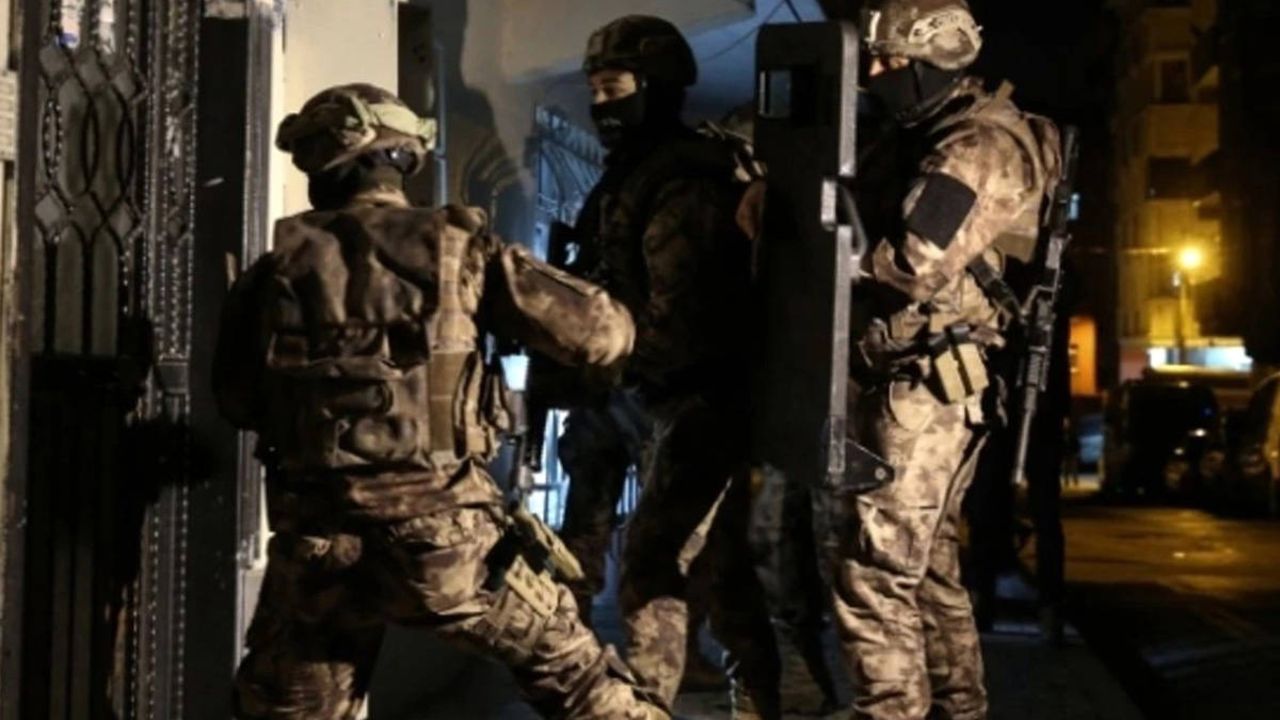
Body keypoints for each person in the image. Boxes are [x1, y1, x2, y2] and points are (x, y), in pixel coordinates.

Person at [212, 83, 667, 720]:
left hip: (320, 552)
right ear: (401, 158)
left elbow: (235, 401)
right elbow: (603, 334)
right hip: (449, 547)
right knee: (583, 685)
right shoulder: (463, 250)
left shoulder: (273, 273)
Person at [831, 1, 1063, 718]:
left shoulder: (977, 145)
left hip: (928, 383)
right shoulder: (919, 133)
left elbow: (912, 264)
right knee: (927, 571)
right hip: (912, 377)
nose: (875, 72)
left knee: (874, 577)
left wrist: (823, 250)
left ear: (937, 62)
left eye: (892, 62)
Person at [571, 15, 783, 719]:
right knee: (719, 562)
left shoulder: (685, 176)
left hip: (696, 397)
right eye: (595, 91)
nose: (602, 106)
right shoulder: (633, 173)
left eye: (614, 89)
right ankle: (760, 696)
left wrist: (607, 356)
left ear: (656, 87)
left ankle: (649, 706)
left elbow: (683, 315)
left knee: (654, 561)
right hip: (653, 394)